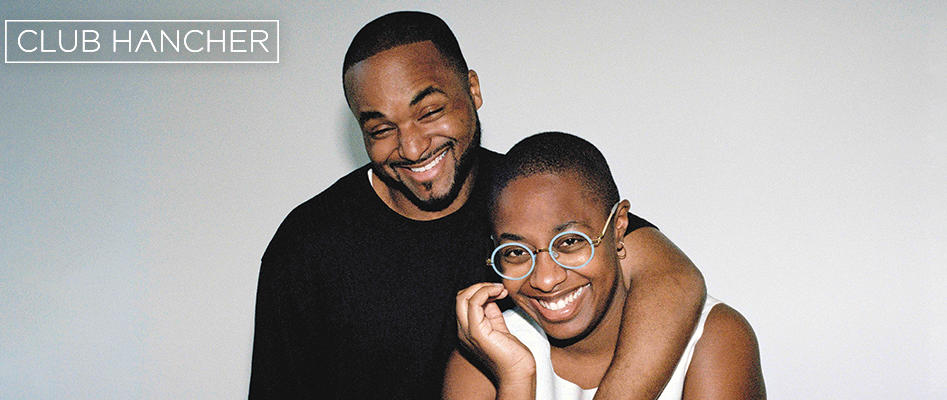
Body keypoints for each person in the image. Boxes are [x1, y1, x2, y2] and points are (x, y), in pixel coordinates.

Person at [249, 11, 706, 399]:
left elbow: (675, 278)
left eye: (428, 112)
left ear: (472, 89)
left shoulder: (522, 197)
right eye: (381, 129)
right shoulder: (307, 246)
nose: (411, 147)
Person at [445, 132, 766, 399]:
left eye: (569, 242)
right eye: (516, 252)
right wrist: (516, 379)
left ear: (619, 226)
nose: (544, 279)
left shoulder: (713, 340)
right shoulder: (488, 354)